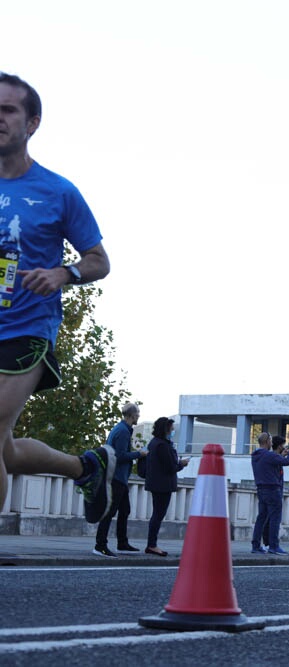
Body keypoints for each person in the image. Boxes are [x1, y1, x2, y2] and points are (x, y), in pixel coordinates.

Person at [0, 72, 113, 524]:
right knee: (3, 447)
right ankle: (84, 467)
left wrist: (61, 273)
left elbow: (98, 260)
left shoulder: (58, 191)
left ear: (32, 123)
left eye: (7, 110)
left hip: (26, 327)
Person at [93, 403, 146, 557]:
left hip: (118, 477)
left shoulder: (121, 429)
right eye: (138, 413)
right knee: (110, 512)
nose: (139, 416)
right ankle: (100, 545)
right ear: (132, 415)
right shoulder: (123, 432)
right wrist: (139, 454)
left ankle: (122, 543)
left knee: (124, 510)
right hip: (116, 477)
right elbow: (120, 456)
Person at [143, 417, 190, 556]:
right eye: (171, 428)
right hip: (163, 485)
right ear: (166, 429)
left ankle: (151, 544)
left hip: (155, 483)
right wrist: (182, 464)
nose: (173, 430)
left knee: (156, 514)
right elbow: (170, 467)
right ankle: (152, 545)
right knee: (158, 515)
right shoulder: (163, 445)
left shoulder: (154, 443)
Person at [250, 432, 289, 555]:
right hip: (273, 490)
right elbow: (288, 462)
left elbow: (272, 463)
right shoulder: (268, 455)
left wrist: (280, 455)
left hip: (261, 489)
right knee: (275, 518)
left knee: (261, 518)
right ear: (267, 441)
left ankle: (256, 545)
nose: (271, 443)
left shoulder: (256, 455)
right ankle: (274, 546)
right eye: (270, 441)